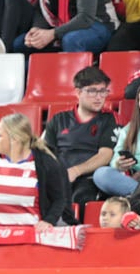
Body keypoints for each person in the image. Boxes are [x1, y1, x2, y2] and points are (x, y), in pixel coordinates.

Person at [43, 66, 116, 218]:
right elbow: (46, 153)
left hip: (88, 178)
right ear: (78, 92)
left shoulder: (108, 120)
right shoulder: (58, 119)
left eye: (103, 91)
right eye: (92, 91)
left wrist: (76, 171)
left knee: (82, 198)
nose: (99, 97)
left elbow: (105, 155)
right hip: (60, 176)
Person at [0, 112, 69, 231]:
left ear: (15, 139)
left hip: (29, 236)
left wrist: (48, 221)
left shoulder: (46, 163)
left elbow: (59, 199)